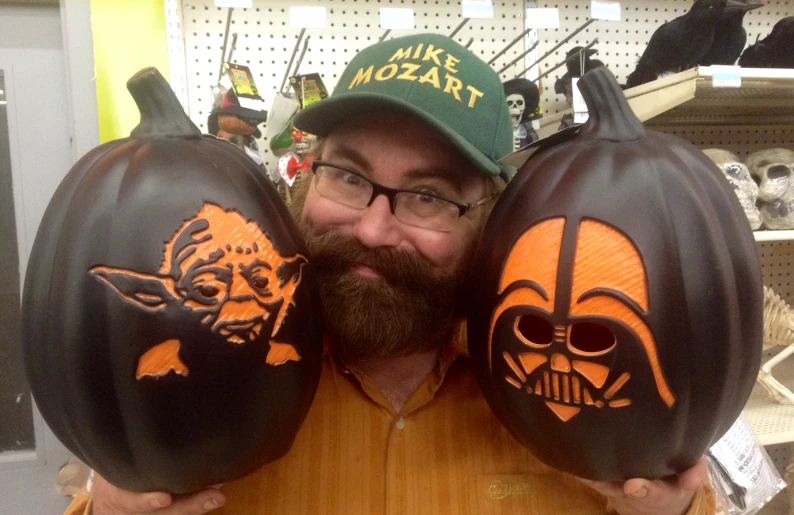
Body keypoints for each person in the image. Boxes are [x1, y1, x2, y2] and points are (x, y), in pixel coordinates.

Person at [64, 33, 713, 515]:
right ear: (307, 176)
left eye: (427, 195)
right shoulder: (210, 389)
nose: (373, 229)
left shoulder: (564, 395)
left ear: (490, 219)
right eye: (348, 177)